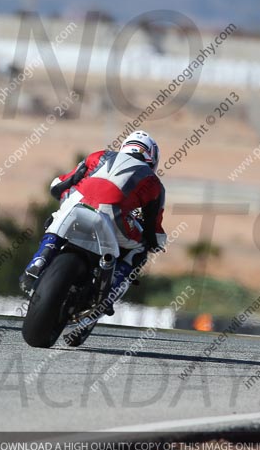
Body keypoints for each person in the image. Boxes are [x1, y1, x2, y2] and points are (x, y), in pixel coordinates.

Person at [19, 130, 167, 315]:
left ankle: (40, 259)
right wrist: (154, 243)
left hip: (75, 205)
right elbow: (153, 227)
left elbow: (58, 185)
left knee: (57, 218)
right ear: (152, 158)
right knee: (139, 249)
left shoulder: (99, 156)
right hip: (113, 216)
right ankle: (111, 290)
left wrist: (63, 195)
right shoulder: (153, 182)